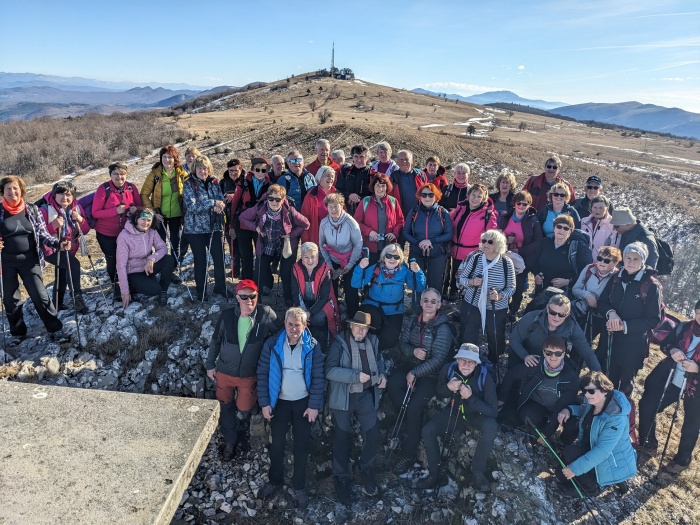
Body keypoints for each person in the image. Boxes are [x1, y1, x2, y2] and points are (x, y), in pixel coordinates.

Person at [257, 308, 324, 510]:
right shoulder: (272, 344)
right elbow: (262, 373)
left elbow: (318, 377)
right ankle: (275, 480)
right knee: (277, 445)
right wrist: (264, 402)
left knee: (301, 446)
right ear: (285, 324)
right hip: (279, 403)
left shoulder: (313, 346)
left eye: (298, 325)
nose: (294, 329)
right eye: (290, 324)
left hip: (303, 403)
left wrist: (314, 406)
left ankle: (299, 485)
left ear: (305, 326)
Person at [206, 279, 280, 461]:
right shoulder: (226, 315)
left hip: (249, 374)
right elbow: (216, 340)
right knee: (226, 408)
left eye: (252, 296)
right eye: (244, 296)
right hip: (224, 372)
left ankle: (251, 411)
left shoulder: (266, 314)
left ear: (257, 296)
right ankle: (230, 441)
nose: (249, 300)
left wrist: (267, 352)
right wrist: (210, 365)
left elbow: (279, 336)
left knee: (244, 407)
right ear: (237, 297)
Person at [387, 288, 452, 475]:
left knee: (415, 408)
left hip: (432, 375)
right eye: (426, 300)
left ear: (439, 305)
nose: (429, 304)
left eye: (433, 301)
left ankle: (408, 454)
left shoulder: (443, 328)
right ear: (421, 302)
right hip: (410, 365)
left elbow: (439, 359)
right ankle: (408, 416)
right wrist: (412, 352)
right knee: (392, 384)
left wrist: (415, 373)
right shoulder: (412, 321)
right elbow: (403, 343)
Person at [325, 311, 387, 504]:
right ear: (350, 326)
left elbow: (379, 363)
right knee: (342, 437)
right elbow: (329, 370)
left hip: (365, 396)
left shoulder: (373, 342)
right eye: (357, 327)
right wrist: (354, 376)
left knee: (373, 433)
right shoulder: (339, 343)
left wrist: (383, 376)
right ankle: (342, 478)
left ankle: (366, 469)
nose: (361, 331)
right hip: (343, 397)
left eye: (364, 328)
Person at [418, 343, 498, 491]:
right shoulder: (449, 369)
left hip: (477, 416)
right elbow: (440, 391)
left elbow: (493, 411)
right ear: (457, 360)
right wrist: (448, 388)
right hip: (455, 412)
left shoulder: (484, 377)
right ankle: (434, 474)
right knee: (428, 430)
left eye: (471, 362)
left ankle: (478, 472)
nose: (466, 365)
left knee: (491, 426)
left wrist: (471, 398)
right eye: (462, 360)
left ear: (476, 363)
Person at [0, 176, 67, 338]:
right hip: (5, 262)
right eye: (8, 189)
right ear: (2, 192)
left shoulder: (32, 210)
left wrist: (58, 244)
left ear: (21, 190)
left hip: (30, 260)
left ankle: (55, 329)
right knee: (11, 300)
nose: (12, 191)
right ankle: (18, 333)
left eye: (15, 188)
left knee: (40, 295)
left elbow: (44, 235)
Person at [637, 300, 700, 473]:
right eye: (699, 312)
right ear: (695, 312)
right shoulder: (684, 327)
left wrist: (697, 368)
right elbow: (666, 344)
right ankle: (648, 443)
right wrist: (672, 351)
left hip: (696, 389)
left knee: (691, 425)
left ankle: (682, 460)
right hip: (672, 378)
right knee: (648, 404)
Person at [555, 372, 637, 495]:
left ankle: (592, 488)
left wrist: (574, 469)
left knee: (569, 454)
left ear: (604, 390)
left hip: (609, 459)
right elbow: (584, 411)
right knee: (560, 475)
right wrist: (569, 410)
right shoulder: (594, 401)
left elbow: (603, 451)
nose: (587, 395)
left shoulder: (616, 419)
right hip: (592, 447)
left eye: (591, 391)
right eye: (584, 391)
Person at [596, 242, 662, 393]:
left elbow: (653, 319)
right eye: (628, 258)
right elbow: (602, 302)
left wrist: (624, 325)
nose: (631, 262)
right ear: (623, 259)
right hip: (609, 339)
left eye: (636, 259)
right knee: (605, 379)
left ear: (643, 261)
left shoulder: (651, 286)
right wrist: (610, 313)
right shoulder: (616, 277)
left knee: (625, 384)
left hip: (633, 345)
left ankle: (621, 413)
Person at [239, 184, 309, 306]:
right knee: (260, 272)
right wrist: (256, 228)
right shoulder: (260, 208)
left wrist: (291, 235)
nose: (274, 202)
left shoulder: (290, 210)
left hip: (285, 246)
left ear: (283, 200)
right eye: (271, 198)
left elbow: (305, 224)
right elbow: (243, 218)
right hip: (267, 245)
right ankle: (258, 299)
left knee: (286, 273)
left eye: (278, 199)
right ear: (267, 199)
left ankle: (289, 297)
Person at [498, 335, 579, 438]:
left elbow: (564, 403)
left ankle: (564, 442)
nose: (553, 357)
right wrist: (502, 399)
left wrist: (549, 431)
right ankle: (542, 423)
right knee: (527, 416)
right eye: (549, 352)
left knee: (571, 422)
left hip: (558, 408)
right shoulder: (535, 364)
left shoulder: (571, 375)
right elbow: (511, 375)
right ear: (543, 352)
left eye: (558, 353)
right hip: (536, 403)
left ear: (564, 354)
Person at [457, 229, 516, 365]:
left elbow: (512, 287)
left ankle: (494, 361)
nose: (485, 244)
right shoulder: (475, 258)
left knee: (495, 335)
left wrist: (500, 296)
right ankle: (466, 359)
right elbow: (462, 279)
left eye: (490, 242)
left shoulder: (507, 263)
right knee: (469, 332)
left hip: (496, 306)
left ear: (499, 245)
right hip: (472, 303)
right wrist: (472, 282)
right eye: (483, 241)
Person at [352, 243, 426, 350]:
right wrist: (360, 268)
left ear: (400, 259)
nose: (392, 259)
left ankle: (376, 347)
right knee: (374, 320)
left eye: (396, 257)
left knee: (390, 341)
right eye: (389, 256)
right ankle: (367, 341)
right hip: (372, 305)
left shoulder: (404, 271)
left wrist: (418, 272)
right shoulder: (375, 269)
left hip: (393, 310)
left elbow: (419, 287)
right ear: (383, 257)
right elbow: (355, 284)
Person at [508, 294, 601, 371]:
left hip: (553, 358)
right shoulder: (531, 318)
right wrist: (525, 356)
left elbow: (587, 352)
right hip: (529, 354)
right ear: (547, 308)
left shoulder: (572, 326)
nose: (556, 318)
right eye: (553, 312)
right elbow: (514, 339)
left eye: (561, 315)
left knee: (572, 370)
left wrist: (599, 375)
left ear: (568, 314)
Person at [39, 181, 90, 314]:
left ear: (73, 196)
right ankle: (77, 298)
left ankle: (57, 302)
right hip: (50, 249)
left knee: (62, 273)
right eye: (60, 194)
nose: (64, 198)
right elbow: (37, 233)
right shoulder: (44, 209)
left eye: (68, 194)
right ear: (54, 195)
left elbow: (85, 230)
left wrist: (79, 219)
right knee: (73, 264)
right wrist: (53, 225)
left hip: (69, 248)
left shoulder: (76, 208)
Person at [92, 161, 142, 293]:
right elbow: (95, 212)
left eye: (122, 174)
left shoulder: (131, 188)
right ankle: (116, 286)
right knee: (113, 259)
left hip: (127, 232)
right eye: (115, 174)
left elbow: (140, 205)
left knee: (128, 258)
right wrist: (115, 211)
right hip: (106, 233)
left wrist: (135, 209)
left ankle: (130, 284)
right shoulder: (104, 189)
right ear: (110, 175)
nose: (119, 177)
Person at [182, 155, 227, 301]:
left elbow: (221, 199)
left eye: (206, 168)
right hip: (195, 230)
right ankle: (201, 291)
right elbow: (192, 206)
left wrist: (220, 205)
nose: (203, 171)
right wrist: (213, 203)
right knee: (200, 261)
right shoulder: (189, 183)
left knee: (219, 259)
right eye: (200, 168)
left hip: (214, 227)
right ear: (195, 168)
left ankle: (221, 287)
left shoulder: (214, 182)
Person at [139, 145, 188, 274]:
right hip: (159, 215)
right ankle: (162, 268)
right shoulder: (155, 174)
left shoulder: (182, 173)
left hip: (177, 215)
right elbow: (144, 194)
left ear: (175, 158)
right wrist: (153, 213)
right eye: (164, 157)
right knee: (161, 244)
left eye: (170, 157)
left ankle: (174, 269)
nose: (167, 160)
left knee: (175, 243)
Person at [446, 183, 497, 302]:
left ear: (483, 199)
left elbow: (492, 235)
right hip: (455, 250)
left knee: (469, 279)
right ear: (468, 195)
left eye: (479, 197)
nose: (475, 199)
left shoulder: (488, 215)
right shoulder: (461, 208)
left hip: (473, 254)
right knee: (455, 274)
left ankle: (465, 302)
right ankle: (452, 294)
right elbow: (449, 222)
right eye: (473, 195)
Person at [116, 207, 175, 308]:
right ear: (136, 219)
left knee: (168, 259)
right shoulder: (124, 236)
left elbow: (162, 248)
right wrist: (124, 291)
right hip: (133, 272)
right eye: (143, 219)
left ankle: (163, 291)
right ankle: (132, 287)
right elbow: (121, 265)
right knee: (154, 290)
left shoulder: (151, 231)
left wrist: (152, 258)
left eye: (149, 220)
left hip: (147, 267)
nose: (146, 223)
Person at [499, 190, 543, 317]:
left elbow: (539, 241)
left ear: (529, 205)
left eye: (525, 204)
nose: (522, 207)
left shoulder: (533, 220)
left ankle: (513, 312)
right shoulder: (506, 218)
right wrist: (506, 240)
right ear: (514, 204)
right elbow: (498, 235)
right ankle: (502, 309)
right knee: (505, 284)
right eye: (519, 203)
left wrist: (520, 250)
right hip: (508, 256)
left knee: (518, 287)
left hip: (526, 259)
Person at [319, 193, 363, 319]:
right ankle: (333, 314)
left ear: (342, 206)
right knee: (330, 288)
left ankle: (353, 316)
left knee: (350, 289)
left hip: (350, 259)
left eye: (336, 206)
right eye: (330, 207)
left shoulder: (351, 222)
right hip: (333, 260)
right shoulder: (324, 223)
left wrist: (349, 265)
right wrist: (329, 264)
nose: (333, 209)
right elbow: (322, 244)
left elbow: (358, 245)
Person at [291, 242, 341, 353]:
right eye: (306, 257)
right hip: (303, 302)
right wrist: (303, 311)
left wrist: (309, 313)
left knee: (318, 319)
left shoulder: (324, 271)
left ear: (317, 256)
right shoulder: (295, 269)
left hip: (321, 303)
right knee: (296, 318)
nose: (310, 260)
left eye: (313, 257)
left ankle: (320, 340)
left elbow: (324, 297)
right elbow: (295, 292)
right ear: (302, 258)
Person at [229, 158, 273, 280]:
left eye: (263, 170)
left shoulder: (270, 186)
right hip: (243, 224)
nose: (260, 172)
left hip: (261, 224)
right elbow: (234, 204)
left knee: (261, 254)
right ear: (252, 170)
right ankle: (246, 282)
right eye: (257, 169)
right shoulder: (242, 183)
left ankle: (262, 281)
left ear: (267, 171)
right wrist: (232, 226)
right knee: (246, 255)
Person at [403, 183, 452, 291]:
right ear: (419, 196)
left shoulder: (443, 213)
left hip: (437, 254)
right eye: (424, 195)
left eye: (430, 195)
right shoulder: (414, 212)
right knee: (418, 282)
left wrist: (432, 241)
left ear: (436, 196)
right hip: (417, 253)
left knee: (435, 284)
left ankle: (434, 306)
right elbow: (406, 232)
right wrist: (417, 242)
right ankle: (417, 306)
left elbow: (449, 234)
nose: (427, 198)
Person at [571, 246, 621, 345]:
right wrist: (586, 295)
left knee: (603, 347)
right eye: (599, 259)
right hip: (584, 313)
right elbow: (575, 289)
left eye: (607, 261)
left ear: (615, 263)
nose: (602, 262)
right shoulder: (589, 268)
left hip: (605, 317)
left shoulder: (618, 276)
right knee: (581, 343)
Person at [533, 215, 592, 296]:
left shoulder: (575, 248)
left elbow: (584, 271)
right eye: (559, 226)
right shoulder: (544, 243)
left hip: (564, 293)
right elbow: (535, 262)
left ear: (570, 231)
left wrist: (567, 281)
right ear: (554, 228)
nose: (561, 230)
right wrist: (536, 275)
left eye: (566, 228)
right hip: (542, 289)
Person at [353, 173, 404, 264]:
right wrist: (369, 232)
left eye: (383, 186)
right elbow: (356, 222)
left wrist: (394, 233)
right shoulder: (365, 202)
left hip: (389, 247)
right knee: (371, 274)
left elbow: (400, 221)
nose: (380, 189)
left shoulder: (393, 202)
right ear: (373, 186)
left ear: (387, 187)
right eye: (377, 185)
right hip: (370, 247)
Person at [300, 166, 337, 246]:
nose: (330, 178)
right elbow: (304, 220)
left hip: (336, 241)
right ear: (320, 177)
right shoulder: (311, 195)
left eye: (332, 176)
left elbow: (344, 217)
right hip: (317, 239)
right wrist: (305, 241)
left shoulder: (337, 194)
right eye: (327, 175)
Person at [389, 150, 428, 221]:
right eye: (401, 160)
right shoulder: (393, 178)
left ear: (412, 161)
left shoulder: (421, 175)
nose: (404, 162)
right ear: (397, 162)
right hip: (401, 217)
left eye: (406, 159)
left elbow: (427, 193)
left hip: (420, 216)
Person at [336, 144, 373, 215]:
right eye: (356, 156)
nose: (359, 160)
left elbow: (376, 194)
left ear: (367, 158)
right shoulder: (346, 171)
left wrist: (360, 198)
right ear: (352, 157)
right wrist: (349, 195)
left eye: (362, 157)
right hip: (346, 211)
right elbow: (339, 188)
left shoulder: (372, 174)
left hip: (366, 211)